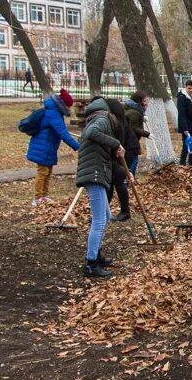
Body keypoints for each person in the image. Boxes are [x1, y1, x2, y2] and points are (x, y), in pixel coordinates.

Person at [77, 96, 126, 279]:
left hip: (96, 171)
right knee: (99, 220)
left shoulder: (98, 116)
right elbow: (92, 133)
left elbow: (97, 141)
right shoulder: (103, 118)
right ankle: (91, 264)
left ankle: (96, 254)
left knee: (105, 217)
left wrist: (114, 149)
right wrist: (116, 143)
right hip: (94, 173)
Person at [26, 88, 78, 206]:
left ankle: (44, 195)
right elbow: (63, 133)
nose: (69, 109)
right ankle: (38, 197)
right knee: (43, 171)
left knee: (47, 171)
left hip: (48, 146)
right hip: (43, 146)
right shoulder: (53, 114)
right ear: (63, 105)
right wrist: (78, 146)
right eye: (68, 106)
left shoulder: (54, 111)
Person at [104, 99, 133, 222]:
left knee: (119, 183)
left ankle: (125, 211)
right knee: (109, 185)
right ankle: (104, 212)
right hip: (116, 157)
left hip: (120, 157)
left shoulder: (118, 125)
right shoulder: (116, 122)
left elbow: (117, 144)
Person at [123, 91, 151, 176]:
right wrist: (147, 134)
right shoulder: (134, 112)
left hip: (130, 140)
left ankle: (129, 178)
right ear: (139, 101)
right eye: (145, 101)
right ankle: (130, 179)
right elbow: (133, 128)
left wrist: (142, 117)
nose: (147, 103)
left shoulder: (134, 109)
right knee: (133, 160)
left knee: (132, 159)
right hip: (130, 141)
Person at [177, 79, 192, 166]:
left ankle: (191, 163)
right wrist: (185, 128)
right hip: (186, 126)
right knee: (186, 146)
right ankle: (182, 164)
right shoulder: (182, 98)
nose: (191, 90)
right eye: (189, 88)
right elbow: (181, 114)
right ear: (185, 87)